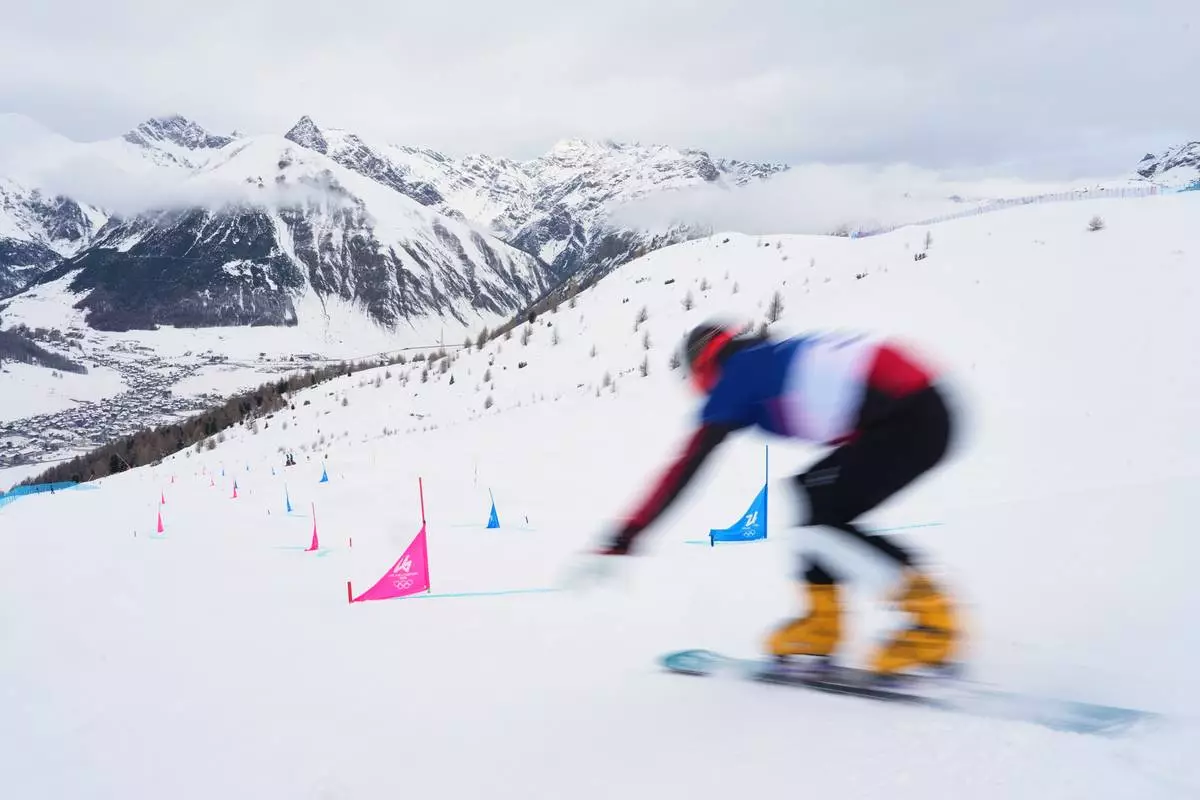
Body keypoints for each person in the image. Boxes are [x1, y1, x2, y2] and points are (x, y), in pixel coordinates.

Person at [592, 320, 961, 678]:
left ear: (702, 366)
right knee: (810, 495)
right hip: (914, 411)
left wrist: (628, 534)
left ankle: (932, 622)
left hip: (910, 418)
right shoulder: (761, 357)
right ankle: (823, 623)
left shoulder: (734, 376)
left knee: (820, 521)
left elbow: (686, 466)